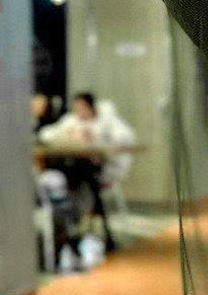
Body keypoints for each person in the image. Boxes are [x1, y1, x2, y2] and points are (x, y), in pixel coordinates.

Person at [37, 92, 137, 251]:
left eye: (83, 107)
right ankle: (68, 227)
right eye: (77, 107)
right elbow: (46, 134)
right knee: (64, 176)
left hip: (100, 169)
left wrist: (96, 137)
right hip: (74, 167)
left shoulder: (106, 121)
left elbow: (125, 137)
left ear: (91, 107)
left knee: (84, 177)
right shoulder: (71, 121)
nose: (80, 111)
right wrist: (68, 134)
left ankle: (78, 227)